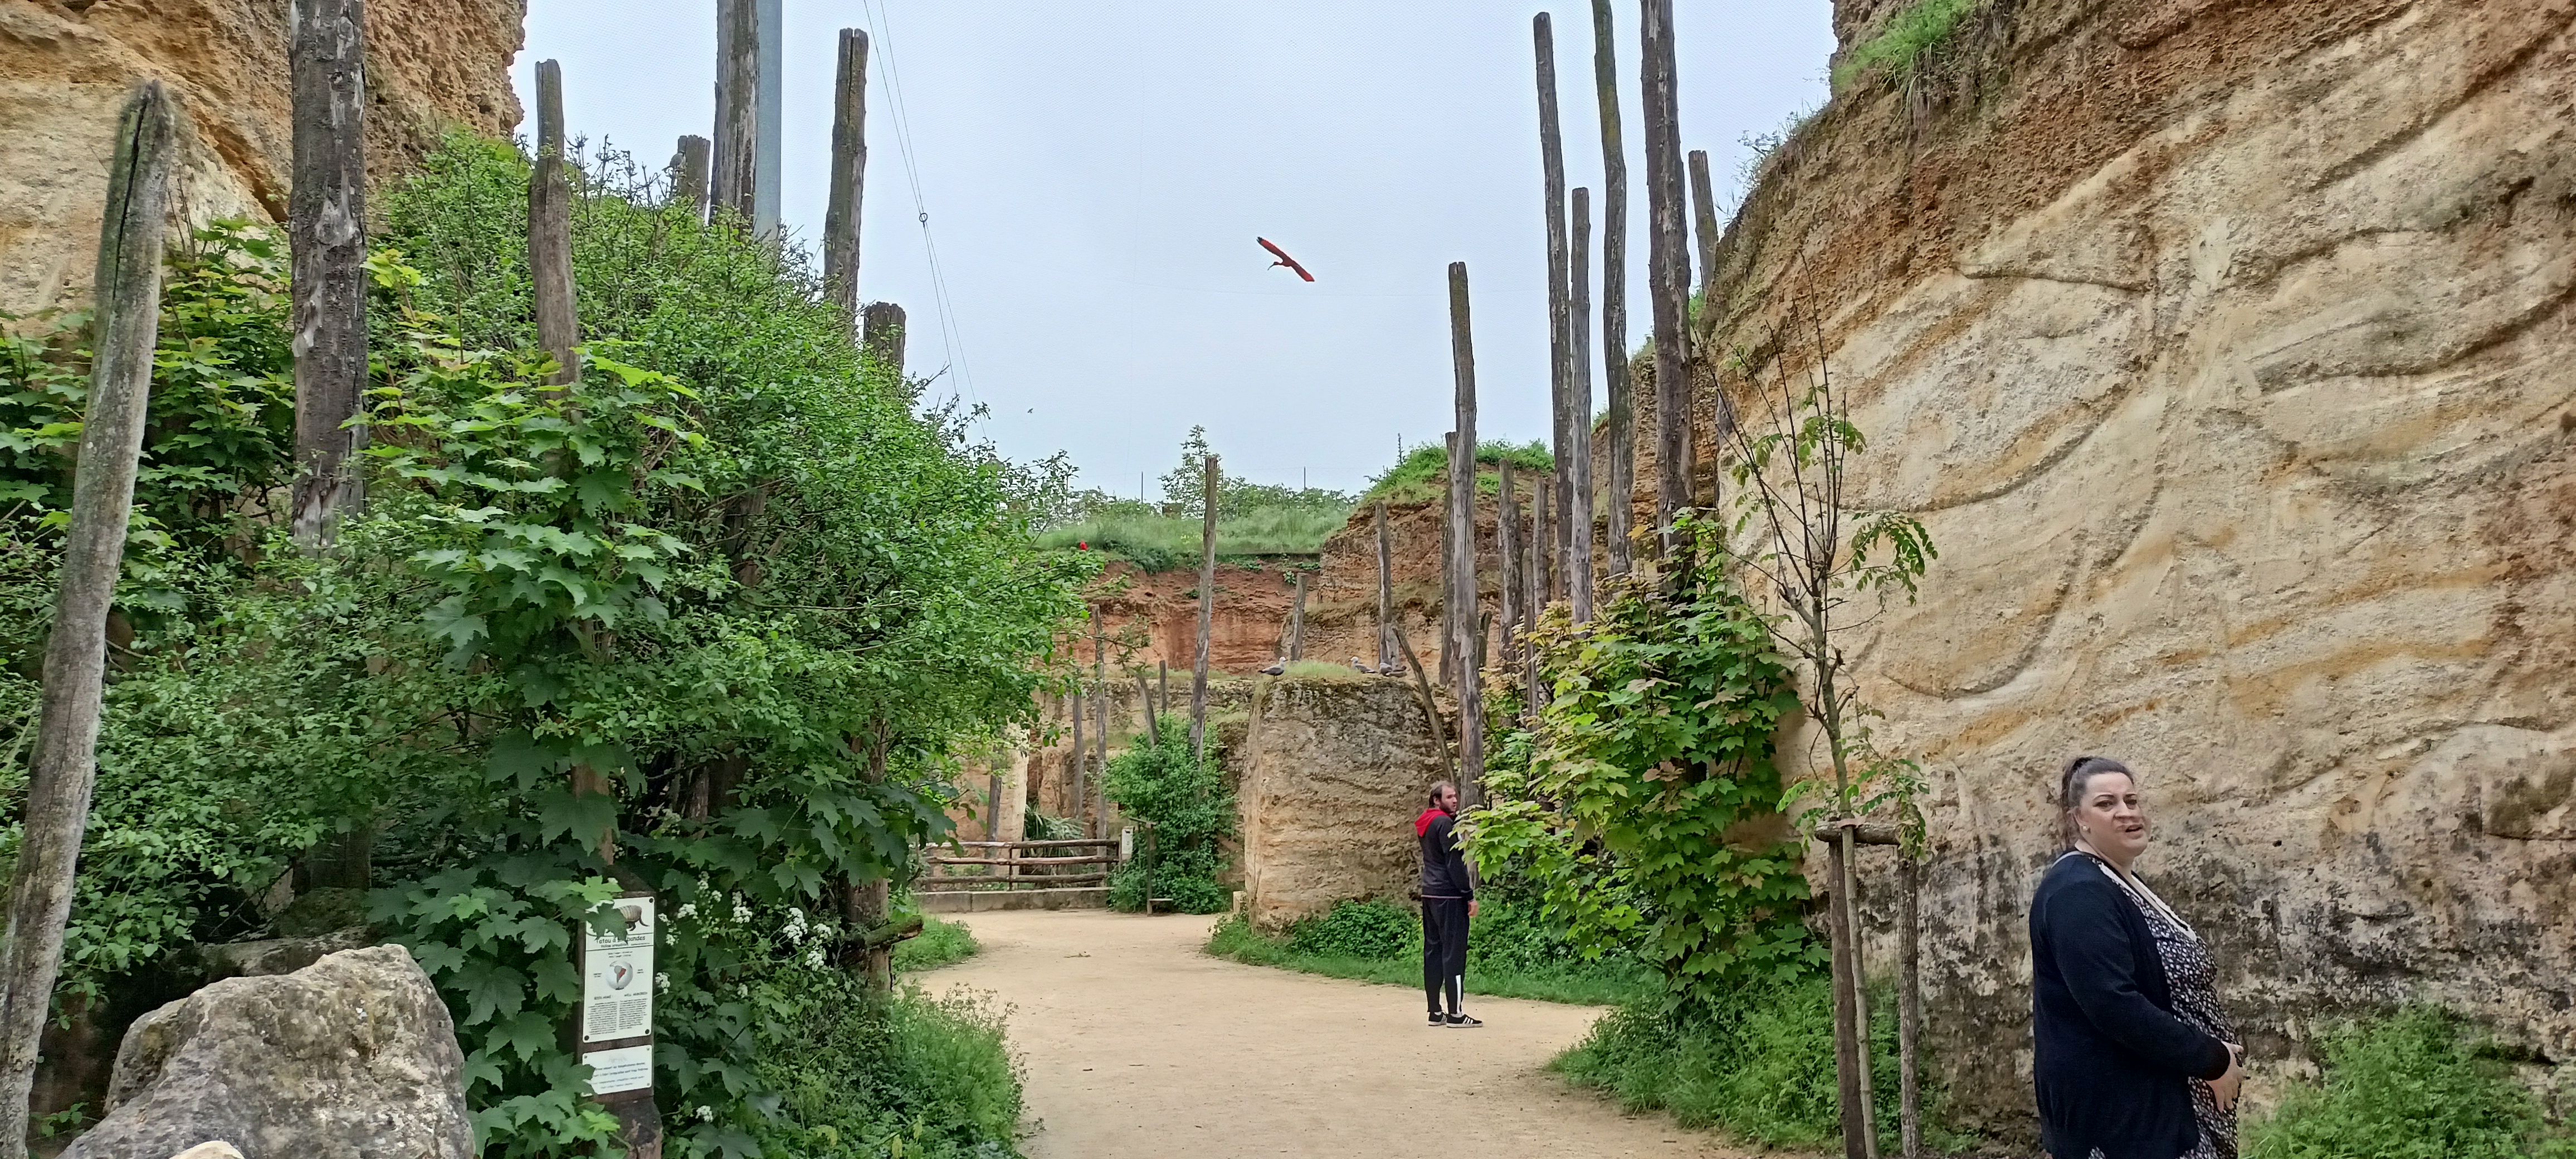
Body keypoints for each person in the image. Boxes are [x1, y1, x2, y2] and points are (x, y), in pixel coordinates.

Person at [2029, 756, 2245, 1159]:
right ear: (2079, 819)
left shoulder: (2117, 879)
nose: (2126, 812)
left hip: (2165, 1104)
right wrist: (2210, 1058)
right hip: (2125, 1120)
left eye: (2131, 800)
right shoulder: (2077, 892)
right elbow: (2114, 1004)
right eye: (2106, 804)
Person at [1416, 781, 1479, 1027]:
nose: (1455, 800)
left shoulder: (1426, 822)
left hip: (1430, 893)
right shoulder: (1445, 823)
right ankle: (1456, 1014)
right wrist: (1468, 895)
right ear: (1436, 800)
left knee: (1433, 951)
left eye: (1455, 796)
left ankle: (1435, 1012)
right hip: (1450, 895)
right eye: (1449, 797)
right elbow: (1455, 862)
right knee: (1454, 953)